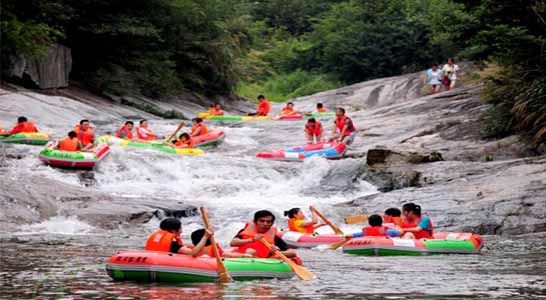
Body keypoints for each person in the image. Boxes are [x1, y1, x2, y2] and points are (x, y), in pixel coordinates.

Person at [230, 210, 298, 259]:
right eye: (262, 221)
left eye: (268, 222)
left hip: (262, 260)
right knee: (250, 251)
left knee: (250, 251)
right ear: (255, 222)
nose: (265, 224)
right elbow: (233, 243)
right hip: (244, 256)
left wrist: (278, 251)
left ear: (272, 224)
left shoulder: (273, 237)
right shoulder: (244, 231)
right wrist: (252, 239)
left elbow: (292, 252)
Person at [145, 218, 213, 256]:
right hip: (165, 265)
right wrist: (205, 237)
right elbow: (193, 253)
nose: (181, 231)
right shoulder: (173, 245)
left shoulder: (155, 239)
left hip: (153, 261)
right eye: (180, 228)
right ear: (173, 230)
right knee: (204, 256)